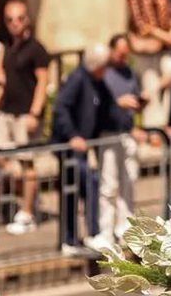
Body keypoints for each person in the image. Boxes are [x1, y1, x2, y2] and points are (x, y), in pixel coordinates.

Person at [51, 45, 118, 253]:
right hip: (70, 147)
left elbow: (107, 108)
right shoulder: (78, 78)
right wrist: (72, 134)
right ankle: (74, 238)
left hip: (82, 146)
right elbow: (61, 107)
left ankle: (85, 235)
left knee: (85, 186)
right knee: (82, 185)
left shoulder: (97, 82)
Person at [0, 0, 50, 235]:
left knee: (27, 164)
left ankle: (27, 212)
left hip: (26, 113)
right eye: (9, 19)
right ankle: (24, 196)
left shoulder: (36, 48)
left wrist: (35, 113)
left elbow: (43, 83)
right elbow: (4, 73)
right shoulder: (7, 46)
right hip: (7, 110)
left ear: (27, 19)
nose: (14, 24)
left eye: (19, 18)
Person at [99, 35, 144, 249]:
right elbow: (98, 103)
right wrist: (119, 102)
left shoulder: (128, 72)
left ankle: (125, 229)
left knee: (128, 182)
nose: (123, 57)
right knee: (109, 185)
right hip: (108, 133)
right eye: (120, 53)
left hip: (127, 132)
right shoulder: (103, 73)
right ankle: (105, 230)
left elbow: (134, 97)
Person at [126, 0, 171, 128]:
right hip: (146, 50)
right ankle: (155, 132)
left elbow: (170, 15)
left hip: (163, 49)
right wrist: (164, 35)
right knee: (151, 90)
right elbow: (140, 23)